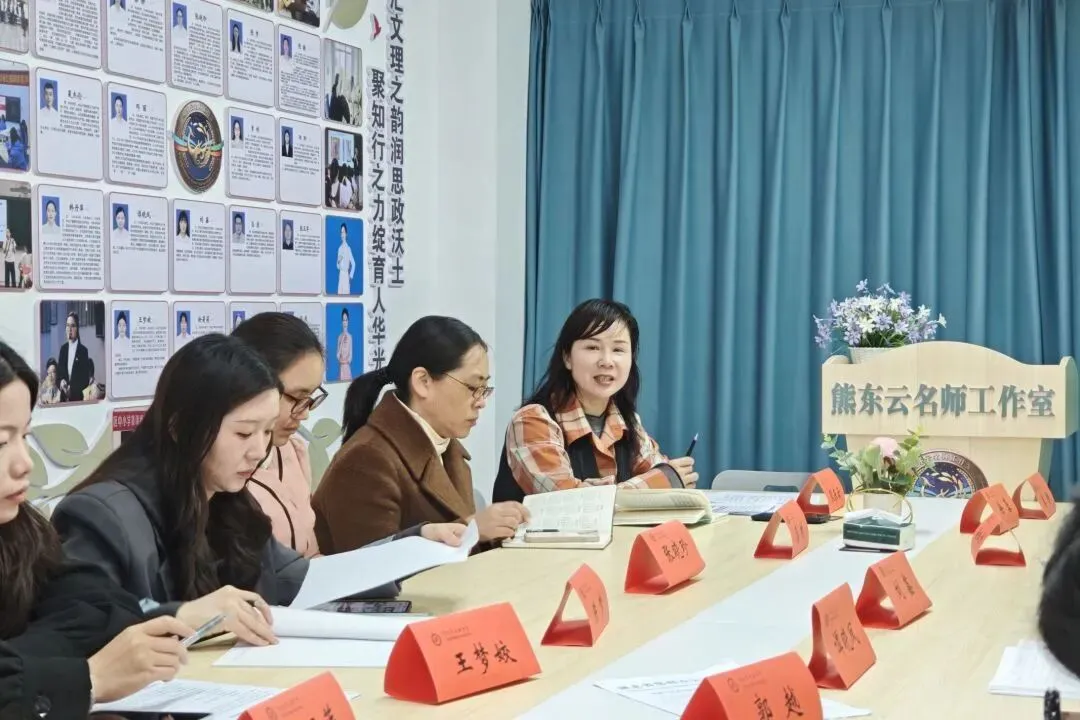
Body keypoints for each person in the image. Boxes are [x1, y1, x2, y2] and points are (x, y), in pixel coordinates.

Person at [52, 335, 467, 647]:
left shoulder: (227, 501)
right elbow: (80, 629)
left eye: (267, 432)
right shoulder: (102, 515)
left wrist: (413, 546)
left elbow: (298, 579)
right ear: (180, 428)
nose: (259, 450)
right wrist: (187, 615)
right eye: (243, 433)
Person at [0, 340, 194, 716]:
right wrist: (87, 676)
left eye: (25, 436)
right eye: (0, 442)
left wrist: (16, 670)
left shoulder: (19, 529)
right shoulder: (101, 508)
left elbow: (106, 608)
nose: (25, 463)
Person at [313, 316, 529, 553]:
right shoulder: (366, 459)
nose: (481, 402)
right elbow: (371, 566)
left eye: (484, 388)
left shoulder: (447, 447)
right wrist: (472, 529)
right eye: (472, 388)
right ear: (423, 382)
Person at [493, 299, 698, 502]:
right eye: (592, 347)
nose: (607, 361)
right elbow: (569, 501)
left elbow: (662, 478)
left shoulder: (628, 423)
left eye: (618, 350)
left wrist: (671, 478)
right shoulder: (532, 421)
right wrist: (665, 479)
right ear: (567, 357)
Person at [233, 313, 331, 558]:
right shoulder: (219, 469)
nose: (304, 414)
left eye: (310, 398)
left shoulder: (292, 452)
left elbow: (310, 553)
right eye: (297, 398)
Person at [56, 311, 93, 403]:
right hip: (63, 399)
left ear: (77, 329)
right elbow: (58, 376)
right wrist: (61, 382)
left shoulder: (83, 351)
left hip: (77, 399)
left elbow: (84, 380)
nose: (69, 329)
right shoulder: (63, 349)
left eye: (72, 326)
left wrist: (71, 390)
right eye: (67, 326)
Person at [335, 222, 354, 295]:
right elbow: (337, 266)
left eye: (343, 232)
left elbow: (354, 264)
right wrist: (339, 260)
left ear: (346, 234)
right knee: (339, 295)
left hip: (346, 275)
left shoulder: (348, 248)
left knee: (346, 296)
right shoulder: (339, 248)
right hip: (340, 276)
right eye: (341, 232)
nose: (342, 234)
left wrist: (350, 276)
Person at [335, 308, 352, 381]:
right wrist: (342, 342)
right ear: (341, 322)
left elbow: (350, 357)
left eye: (346, 320)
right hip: (341, 368)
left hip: (347, 368)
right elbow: (337, 355)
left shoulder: (350, 337)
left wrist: (344, 361)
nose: (345, 322)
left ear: (348, 321)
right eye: (343, 320)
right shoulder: (339, 337)